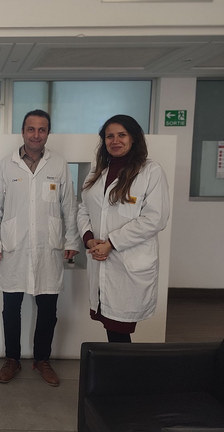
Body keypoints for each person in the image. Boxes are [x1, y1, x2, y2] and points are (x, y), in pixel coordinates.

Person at [0, 109, 80, 386]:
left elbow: (69, 207)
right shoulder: (7, 165)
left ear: (48, 133)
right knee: (10, 308)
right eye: (31, 129)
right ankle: (12, 359)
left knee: (48, 309)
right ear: (23, 131)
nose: (36, 135)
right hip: (14, 246)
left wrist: (72, 240)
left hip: (47, 247)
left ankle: (42, 360)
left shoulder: (59, 164)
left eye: (41, 129)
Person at [77, 114, 170, 343]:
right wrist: (89, 239)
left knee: (120, 330)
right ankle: (119, 374)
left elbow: (155, 218)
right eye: (110, 136)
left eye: (121, 135)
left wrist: (111, 243)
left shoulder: (150, 171)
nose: (115, 140)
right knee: (112, 329)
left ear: (134, 138)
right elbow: (83, 209)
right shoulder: (97, 172)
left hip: (128, 263)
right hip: (101, 259)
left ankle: (124, 376)